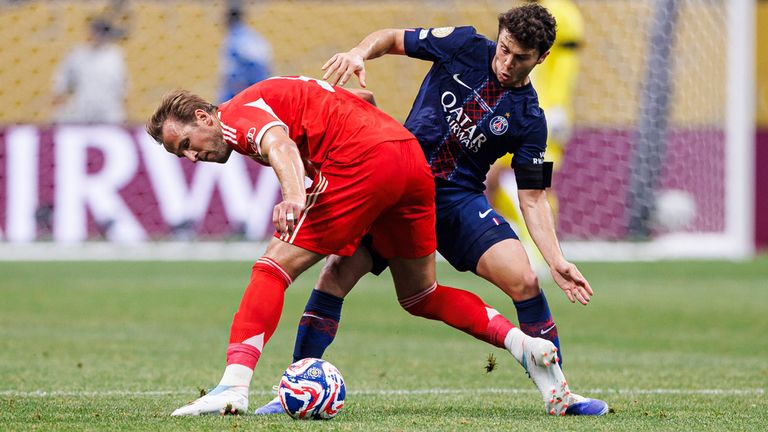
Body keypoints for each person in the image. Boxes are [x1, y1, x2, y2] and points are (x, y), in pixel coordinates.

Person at [255, 3, 608, 416]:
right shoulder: (463, 44)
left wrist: (556, 259)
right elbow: (390, 38)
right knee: (334, 276)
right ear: (498, 37)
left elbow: (532, 197)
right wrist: (358, 53)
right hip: (397, 183)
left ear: (541, 58)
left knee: (526, 281)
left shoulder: (531, 119)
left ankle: (559, 393)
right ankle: (295, 390)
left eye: (521, 58)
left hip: (457, 200)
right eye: (505, 49)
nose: (507, 63)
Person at [147, 77, 574, 417]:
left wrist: (294, 195)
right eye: (178, 155)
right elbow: (361, 95)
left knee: (272, 268)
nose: (190, 158)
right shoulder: (266, 98)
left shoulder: (236, 116)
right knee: (420, 294)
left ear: (203, 116)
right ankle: (524, 346)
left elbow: (278, 143)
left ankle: (233, 386)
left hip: (361, 162)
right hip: (409, 161)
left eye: (185, 144)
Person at [486, 0, 584, 268]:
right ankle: (527, 239)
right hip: (531, 111)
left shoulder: (561, 13)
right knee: (498, 178)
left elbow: (563, 68)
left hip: (543, 115)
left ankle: (538, 250)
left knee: (534, 184)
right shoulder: (543, 11)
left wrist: (556, 108)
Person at [51, 16, 127, 124]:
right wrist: (58, 100)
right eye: (98, 32)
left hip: (108, 108)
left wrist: (123, 107)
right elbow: (61, 80)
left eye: (104, 33)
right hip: (82, 106)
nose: (101, 36)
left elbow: (121, 85)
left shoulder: (115, 54)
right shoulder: (77, 54)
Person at [218, 2, 273, 102]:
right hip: (246, 87)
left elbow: (255, 66)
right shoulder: (252, 36)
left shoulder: (238, 38)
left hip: (241, 88)